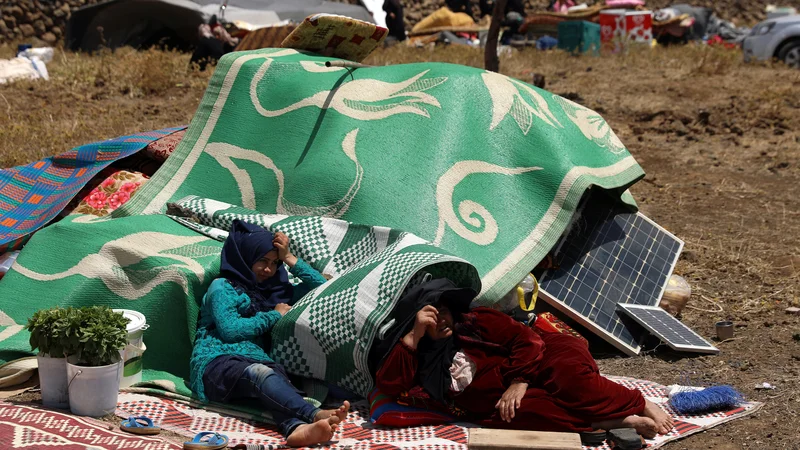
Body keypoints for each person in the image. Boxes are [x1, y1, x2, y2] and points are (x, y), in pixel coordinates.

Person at [374, 279, 674, 439]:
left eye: (445, 312)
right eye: (432, 319)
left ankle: (639, 402)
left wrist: (520, 380)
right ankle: (619, 420)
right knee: (528, 415)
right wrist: (413, 336)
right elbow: (389, 384)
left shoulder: (476, 322)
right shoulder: (422, 361)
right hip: (502, 397)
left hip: (545, 355)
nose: (442, 321)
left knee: (570, 380)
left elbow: (527, 340)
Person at [189, 220, 349, 447]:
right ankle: (313, 414)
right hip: (216, 364)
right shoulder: (222, 287)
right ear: (245, 257)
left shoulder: (271, 292)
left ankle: (297, 429)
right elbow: (230, 330)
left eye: (274, 263)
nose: (268, 270)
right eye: (262, 261)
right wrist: (274, 316)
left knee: (273, 381)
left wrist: (289, 257)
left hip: (258, 364)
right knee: (260, 373)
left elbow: (322, 287)